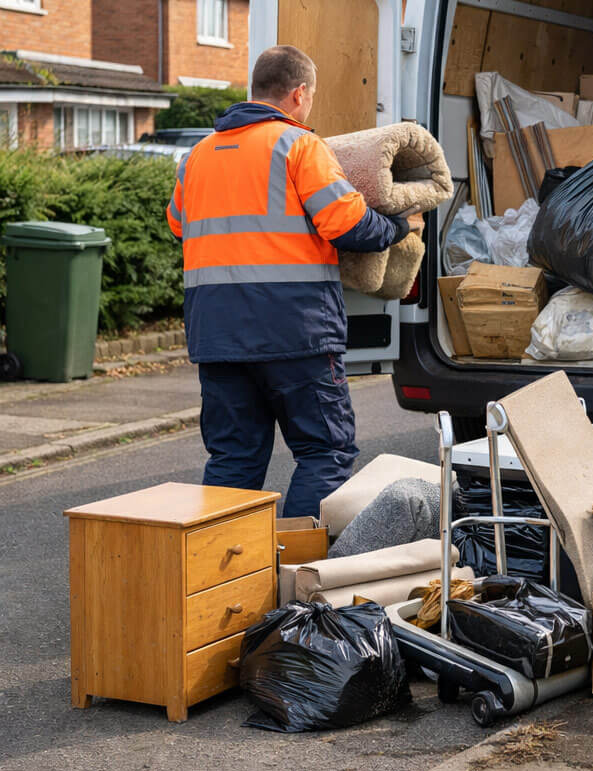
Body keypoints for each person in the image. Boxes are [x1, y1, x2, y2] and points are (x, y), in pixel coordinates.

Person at [166, 45, 418, 515]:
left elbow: (178, 226)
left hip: (217, 337)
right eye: (311, 97)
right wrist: (399, 227)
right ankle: (297, 560)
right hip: (296, 333)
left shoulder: (196, 157)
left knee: (233, 459)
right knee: (325, 453)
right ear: (298, 93)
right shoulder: (299, 146)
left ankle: (223, 562)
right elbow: (349, 225)